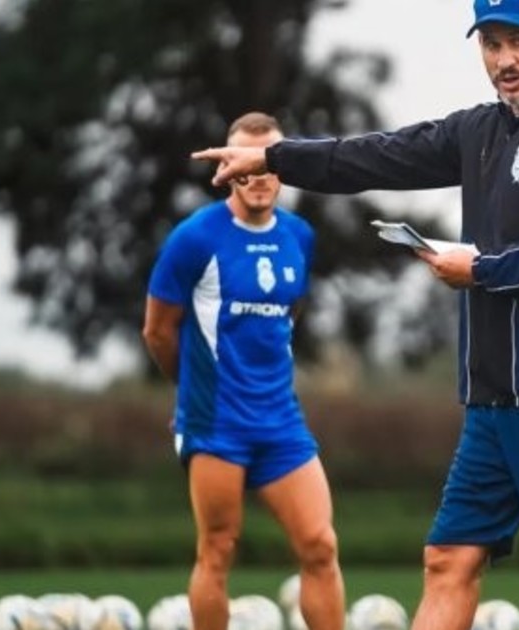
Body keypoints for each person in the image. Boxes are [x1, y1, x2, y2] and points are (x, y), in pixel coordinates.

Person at [191, 3, 519, 629]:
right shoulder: (479, 130)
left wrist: (480, 269)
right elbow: (379, 155)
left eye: (518, 41)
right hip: (489, 404)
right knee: (448, 560)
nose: (503, 59)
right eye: (491, 44)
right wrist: (277, 158)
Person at [143, 112, 345, 630]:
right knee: (217, 548)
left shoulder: (299, 236)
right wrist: (192, 390)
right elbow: (158, 332)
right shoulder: (195, 238)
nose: (257, 178)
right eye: (245, 167)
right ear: (227, 169)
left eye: (267, 165)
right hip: (215, 424)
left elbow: (291, 311)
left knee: (320, 545)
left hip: (281, 422)